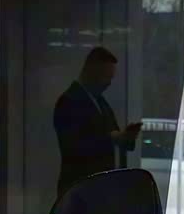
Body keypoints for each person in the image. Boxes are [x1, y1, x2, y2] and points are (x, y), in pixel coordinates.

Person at [53, 46, 142, 199]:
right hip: (79, 188)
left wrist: (125, 138)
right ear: (91, 71)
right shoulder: (68, 102)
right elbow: (73, 146)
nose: (109, 83)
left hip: (97, 188)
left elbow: (112, 134)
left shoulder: (100, 102)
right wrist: (113, 138)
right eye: (106, 76)